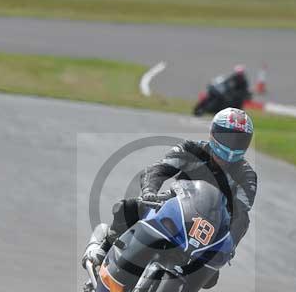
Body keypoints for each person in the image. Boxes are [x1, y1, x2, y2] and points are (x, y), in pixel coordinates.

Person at [84, 107, 257, 274]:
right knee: (129, 207)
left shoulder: (247, 175)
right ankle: (104, 246)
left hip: (208, 228)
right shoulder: (191, 149)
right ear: (213, 133)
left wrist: (229, 244)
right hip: (176, 206)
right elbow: (158, 169)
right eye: (227, 137)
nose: (232, 145)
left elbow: (241, 214)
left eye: (239, 141)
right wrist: (149, 191)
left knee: (211, 277)